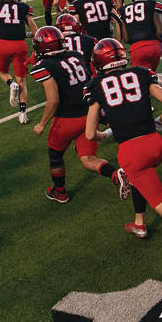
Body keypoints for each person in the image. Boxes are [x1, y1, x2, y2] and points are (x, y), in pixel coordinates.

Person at [85, 38, 162, 240]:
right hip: (155, 144)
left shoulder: (96, 86)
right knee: (138, 179)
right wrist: (161, 121)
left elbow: (90, 134)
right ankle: (139, 223)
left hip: (132, 152)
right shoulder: (140, 73)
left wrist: (104, 134)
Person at [29, 26, 125, 203]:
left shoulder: (43, 66)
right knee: (88, 158)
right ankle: (114, 174)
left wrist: (42, 123)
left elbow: (53, 100)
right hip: (90, 114)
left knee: (55, 155)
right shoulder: (76, 55)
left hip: (68, 118)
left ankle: (60, 192)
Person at [119, 0, 162, 73]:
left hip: (137, 49)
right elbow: (161, 32)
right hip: (154, 47)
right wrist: (159, 43)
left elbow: (126, 38)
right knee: (151, 75)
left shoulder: (122, 10)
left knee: (143, 79)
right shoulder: (154, 4)